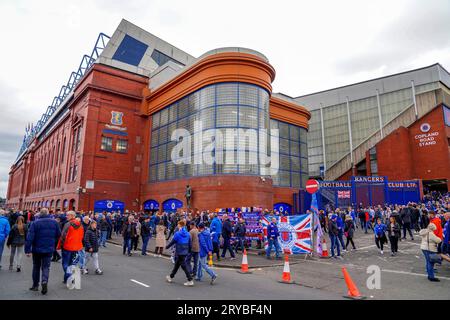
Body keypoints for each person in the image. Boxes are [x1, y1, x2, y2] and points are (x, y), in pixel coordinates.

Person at [25, 208, 61, 295]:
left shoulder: (35, 223)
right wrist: (52, 242)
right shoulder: (54, 222)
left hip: (37, 249)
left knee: (36, 267)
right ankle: (44, 281)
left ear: (40, 214)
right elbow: (58, 234)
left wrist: (27, 250)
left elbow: (30, 237)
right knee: (46, 267)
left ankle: (35, 285)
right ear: (48, 213)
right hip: (49, 248)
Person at [165, 220, 194, 286]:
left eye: (178, 225)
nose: (177, 226)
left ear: (180, 225)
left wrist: (167, 247)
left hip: (179, 251)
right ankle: (170, 277)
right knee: (177, 265)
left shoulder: (177, 233)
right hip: (185, 251)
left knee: (184, 266)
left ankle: (190, 280)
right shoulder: (188, 233)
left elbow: (173, 241)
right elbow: (190, 243)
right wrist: (189, 251)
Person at [59, 211, 84, 284]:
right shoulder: (80, 225)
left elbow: (63, 236)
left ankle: (70, 276)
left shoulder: (68, 224)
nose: (66, 216)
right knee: (72, 263)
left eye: (67, 215)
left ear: (72, 216)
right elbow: (82, 236)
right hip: (76, 247)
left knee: (65, 263)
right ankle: (66, 278)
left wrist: (61, 244)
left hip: (67, 247)